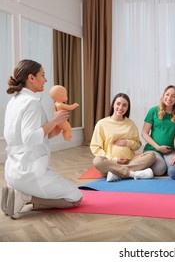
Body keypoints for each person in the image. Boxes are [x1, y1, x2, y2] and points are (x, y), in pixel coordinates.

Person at [1, 59, 82, 219]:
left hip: (14, 169)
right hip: (29, 172)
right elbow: (30, 138)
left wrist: (56, 123)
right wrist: (54, 121)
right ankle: (25, 197)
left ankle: (20, 192)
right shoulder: (31, 103)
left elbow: (44, 135)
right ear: (31, 78)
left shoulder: (14, 101)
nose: (45, 80)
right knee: (75, 198)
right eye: (43, 75)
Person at [90, 93, 156, 182]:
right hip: (110, 163)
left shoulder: (130, 124)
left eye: (124, 105)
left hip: (129, 161)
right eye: (118, 104)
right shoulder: (102, 124)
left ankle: (117, 173)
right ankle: (132, 173)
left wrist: (126, 143)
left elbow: (137, 145)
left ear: (127, 108)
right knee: (97, 161)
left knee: (151, 155)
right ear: (113, 105)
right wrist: (114, 160)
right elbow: (95, 147)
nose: (121, 107)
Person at [141, 85, 175, 176]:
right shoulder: (153, 111)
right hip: (153, 149)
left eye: (173, 96)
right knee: (159, 170)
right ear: (163, 95)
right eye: (167, 94)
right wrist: (158, 147)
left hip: (169, 151)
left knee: (174, 170)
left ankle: (164, 164)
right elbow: (144, 133)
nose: (169, 98)